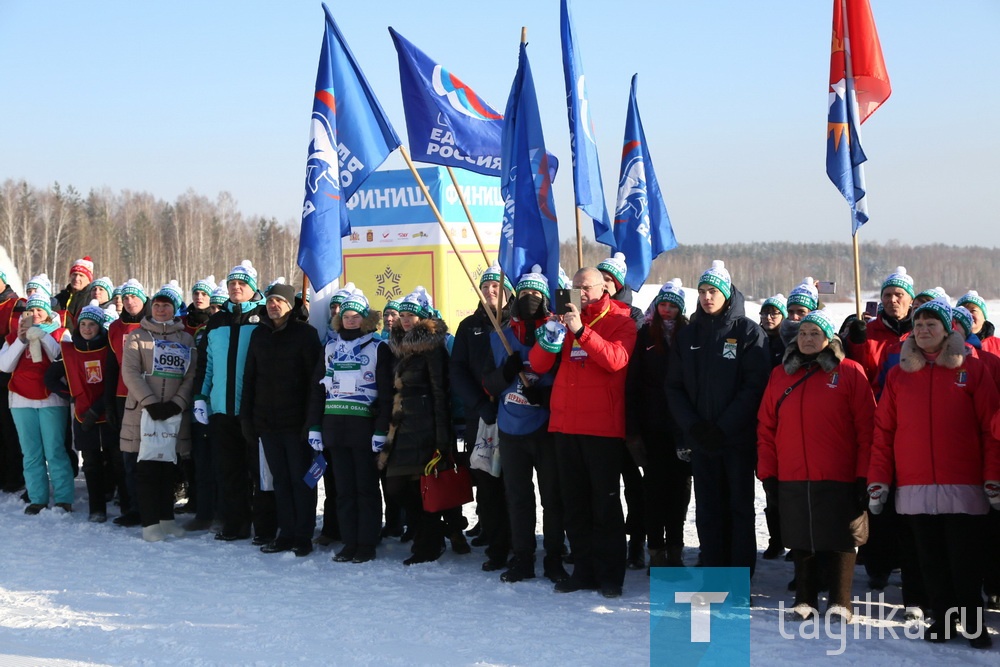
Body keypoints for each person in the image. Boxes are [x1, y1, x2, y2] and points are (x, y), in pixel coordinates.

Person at [868, 298, 998, 649]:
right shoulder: (898, 375)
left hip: (964, 484)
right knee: (930, 561)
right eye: (919, 324)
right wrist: (878, 479)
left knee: (965, 561)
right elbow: (884, 432)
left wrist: (992, 476)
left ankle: (973, 623)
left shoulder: (971, 370)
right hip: (915, 485)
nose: (924, 330)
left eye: (932, 324)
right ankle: (941, 618)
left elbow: (990, 429)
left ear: (947, 330)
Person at [757, 309, 875, 622]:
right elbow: (766, 427)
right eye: (804, 333)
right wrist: (768, 472)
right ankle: (805, 598)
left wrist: (865, 473)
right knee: (800, 535)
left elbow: (868, 428)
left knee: (841, 536)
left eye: (815, 333)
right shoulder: (780, 374)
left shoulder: (850, 372)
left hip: (839, 471)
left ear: (829, 338)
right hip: (793, 472)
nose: (809, 339)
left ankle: (840, 601)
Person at [528, 267, 637, 598]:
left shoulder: (622, 319)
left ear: (603, 287)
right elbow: (538, 365)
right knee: (573, 505)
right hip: (565, 425)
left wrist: (582, 332)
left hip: (601, 428)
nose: (579, 292)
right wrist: (548, 338)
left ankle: (610, 576)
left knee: (604, 505)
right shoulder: (563, 318)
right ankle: (584, 571)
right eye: (574, 287)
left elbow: (617, 360)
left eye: (585, 287)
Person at [665, 260, 770, 575]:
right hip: (701, 440)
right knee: (708, 511)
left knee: (738, 509)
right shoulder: (688, 336)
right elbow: (674, 386)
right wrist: (693, 426)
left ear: (727, 293)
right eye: (702, 291)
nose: (707, 297)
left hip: (735, 440)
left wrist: (723, 428)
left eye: (713, 291)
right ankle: (713, 574)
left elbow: (755, 388)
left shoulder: (749, 332)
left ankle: (738, 580)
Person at [481, 266, 569, 583]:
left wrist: (543, 396)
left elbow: (567, 380)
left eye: (537, 295)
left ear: (546, 299)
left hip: (545, 428)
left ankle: (555, 558)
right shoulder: (499, 337)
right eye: (525, 294)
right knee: (518, 497)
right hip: (511, 428)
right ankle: (523, 557)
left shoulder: (557, 334)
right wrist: (506, 373)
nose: (530, 299)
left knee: (552, 498)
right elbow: (487, 385)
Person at [306, 288, 391, 563]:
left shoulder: (379, 347)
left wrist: (381, 430)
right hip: (335, 428)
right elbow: (318, 390)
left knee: (365, 489)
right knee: (342, 490)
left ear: (365, 318)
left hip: (364, 429)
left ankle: (366, 543)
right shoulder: (330, 348)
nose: (350, 320)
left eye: (356, 316)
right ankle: (349, 541)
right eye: (346, 315)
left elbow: (387, 393)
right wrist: (314, 427)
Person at [377, 286, 459, 565]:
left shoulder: (433, 349)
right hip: (400, 428)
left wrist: (442, 437)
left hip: (425, 427)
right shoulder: (395, 346)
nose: (406, 319)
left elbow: (441, 393)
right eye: (403, 315)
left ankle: (429, 543)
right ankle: (427, 534)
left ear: (423, 318)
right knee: (397, 487)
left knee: (424, 489)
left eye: (412, 315)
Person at [240, 281, 322, 557]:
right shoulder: (259, 335)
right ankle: (285, 533)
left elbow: (315, 382)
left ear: (291, 305)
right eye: (270, 301)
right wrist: (247, 418)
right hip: (266, 421)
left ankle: (303, 535)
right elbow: (250, 377)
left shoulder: (306, 334)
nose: (274, 306)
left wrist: (311, 422)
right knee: (280, 481)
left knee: (303, 481)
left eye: (280, 301)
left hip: (296, 423)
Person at [194, 260, 273, 543]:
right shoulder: (217, 321)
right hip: (221, 410)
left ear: (252, 288)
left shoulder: (264, 317)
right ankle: (235, 524)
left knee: (260, 473)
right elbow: (206, 364)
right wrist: (201, 397)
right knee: (228, 471)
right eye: (232, 284)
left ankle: (264, 527)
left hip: (254, 411)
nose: (236, 288)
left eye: (242, 284)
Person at [120, 282, 197, 542]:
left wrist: (178, 402)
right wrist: (151, 402)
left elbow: (191, 375)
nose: (161, 309)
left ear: (174, 309)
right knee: (147, 468)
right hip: (143, 412)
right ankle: (150, 523)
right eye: (157, 305)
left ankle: (166, 519)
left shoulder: (186, 339)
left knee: (169, 469)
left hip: (174, 412)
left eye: (166, 305)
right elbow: (129, 372)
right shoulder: (137, 336)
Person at [626, 279, 691, 569]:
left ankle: (675, 550)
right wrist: (634, 429)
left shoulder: (689, 335)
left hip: (681, 428)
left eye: (672, 306)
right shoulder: (644, 335)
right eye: (663, 304)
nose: (666, 310)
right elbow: (633, 383)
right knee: (653, 492)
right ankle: (655, 551)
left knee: (679, 492)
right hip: (652, 427)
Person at [450, 265, 512, 567]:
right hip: (482, 415)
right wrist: (478, 403)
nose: (490, 291)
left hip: (515, 414)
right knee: (486, 481)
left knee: (514, 482)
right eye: (486, 286)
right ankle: (495, 540)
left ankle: (517, 541)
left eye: (497, 287)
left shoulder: (516, 323)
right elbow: (458, 370)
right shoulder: (468, 325)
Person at [0, 294, 73, 514]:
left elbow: (60, 357)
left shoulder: (61, 333)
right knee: (30, 453)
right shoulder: (13, 337)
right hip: (21, 400)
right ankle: (37, 497)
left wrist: (41, 335)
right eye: (30, 311)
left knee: (55, 451)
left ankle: (63, 498)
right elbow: (5, 366)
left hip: (51, 399)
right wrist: (22, 340)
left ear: (48, 313)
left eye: (39, 311)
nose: (35, 315)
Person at [596, 253, 645, 569]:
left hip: (630, 413)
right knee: (602, 486)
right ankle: (601, 542)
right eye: (600, 281)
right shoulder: (588, 314)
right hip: (599, 413)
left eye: (609, 281)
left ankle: (637, 543)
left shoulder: (634, 316)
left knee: (635, 486)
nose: (604, 286)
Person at [45, 300, 114, 522]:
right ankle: (97, 509)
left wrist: (100, 407)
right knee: (91, 462)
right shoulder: (68, 350)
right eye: (83, 324)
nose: (86, 328)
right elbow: (50, 378)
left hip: (109, 410)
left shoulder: (109, 348)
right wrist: (71, 394)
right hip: (83, 414)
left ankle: (125, 504)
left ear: (100, 327)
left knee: (115, 460)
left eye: (91, 325)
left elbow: (117, 382)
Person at [104, 278, 148, 527]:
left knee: (150, 455)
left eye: (135, 297)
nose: (130, 301)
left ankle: (153, 505)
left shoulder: (153, 324)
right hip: (123, 397)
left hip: (149, 396)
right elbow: (111, 368)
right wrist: (109, 403)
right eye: (126, 297)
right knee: (127, 456)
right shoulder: (114, 328)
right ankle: (132, 505)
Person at [0, 269, 24, 494]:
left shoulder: (15, 304)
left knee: (9, 428)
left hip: (6, 377)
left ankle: (13, 475)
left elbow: (15, 337)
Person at [54, 256, 95, 328]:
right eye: (74, 274)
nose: (76, 278)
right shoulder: (59, 298)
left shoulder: (92, 299)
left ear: (89, 280)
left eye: (81, 275)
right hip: (60, 337)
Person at [955, 291, 1000, 357]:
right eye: (963, 311)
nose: (968, 315)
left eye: (973, 311)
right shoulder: (948, 343)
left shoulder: (997, 345)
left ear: (984, 317)